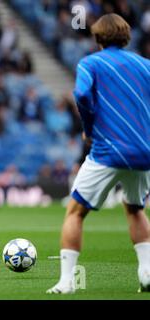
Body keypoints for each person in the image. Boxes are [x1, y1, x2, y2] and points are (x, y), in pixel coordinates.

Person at [47, 13, 150, 294]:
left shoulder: (90, 63)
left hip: (108, 150)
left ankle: (67, 282)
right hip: (143, 152)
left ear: (97, 37)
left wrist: (89, 127)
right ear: (126, 36)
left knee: (75, 212)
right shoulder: (145, 65)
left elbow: (81, 95)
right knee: (135, 208)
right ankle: (147, 271)